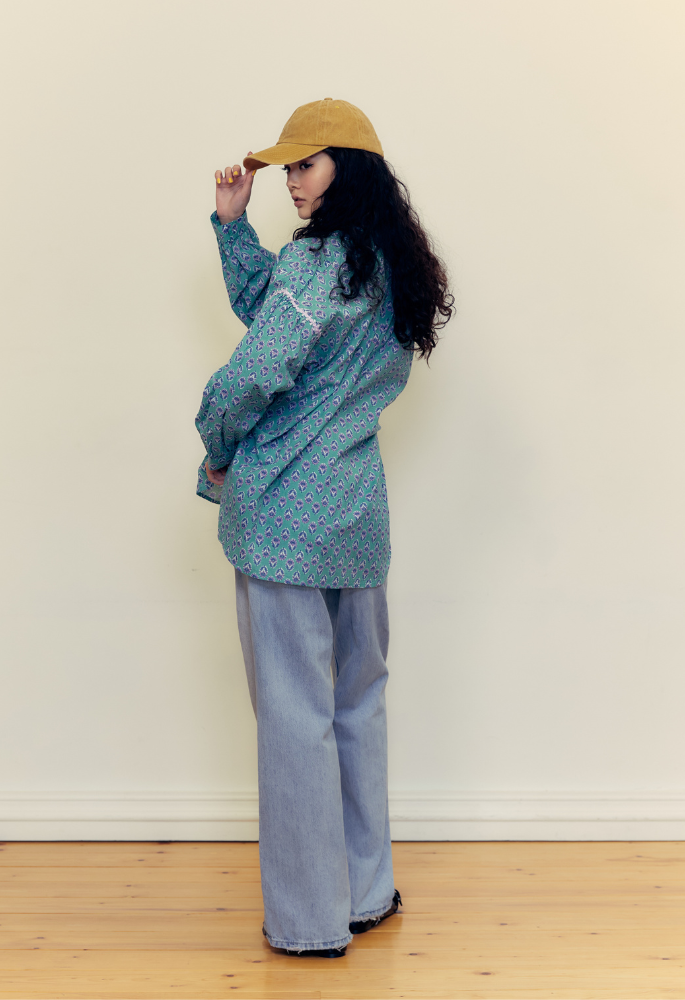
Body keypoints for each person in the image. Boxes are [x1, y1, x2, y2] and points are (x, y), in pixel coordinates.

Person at [195, 98, 453, 957]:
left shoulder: (318, 261)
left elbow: (259, 366)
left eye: (306, 164)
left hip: (283, 521)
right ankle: (365, 892)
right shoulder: (388, 265)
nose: (292, 182)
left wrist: (216, 444)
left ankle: (309, 921)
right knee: (357, 706)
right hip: (355, 518)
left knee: (294, 717)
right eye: (289, 168)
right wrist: (233, 227)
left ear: (350, 167)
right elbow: (277, 312)